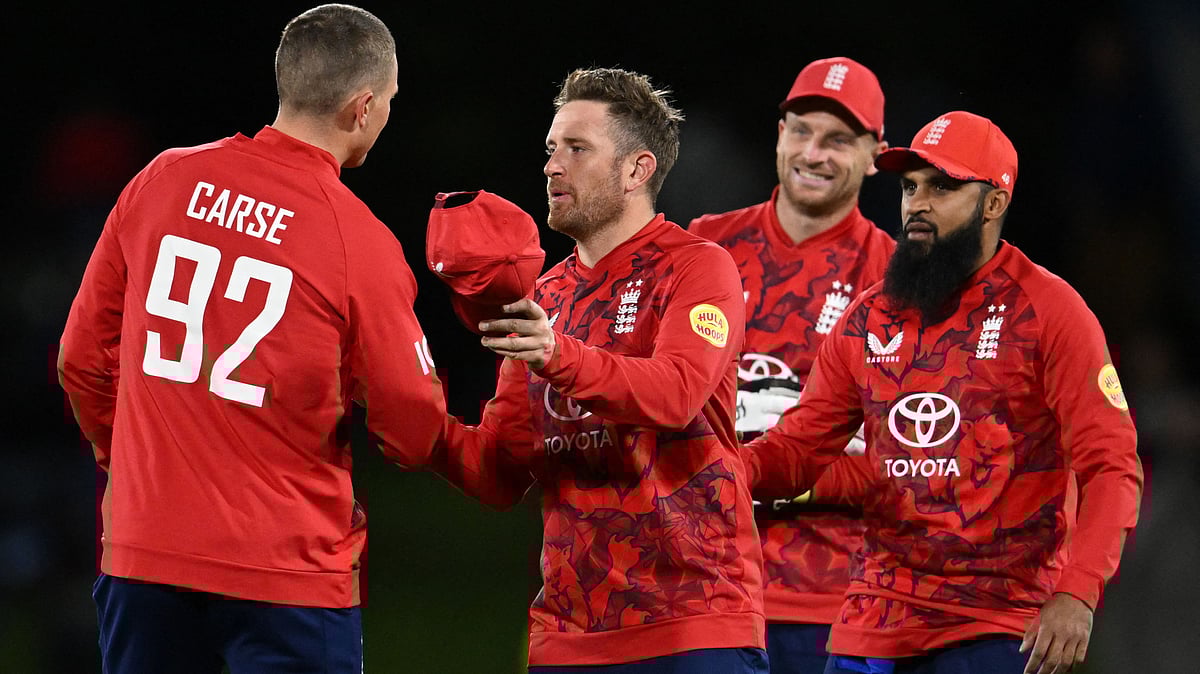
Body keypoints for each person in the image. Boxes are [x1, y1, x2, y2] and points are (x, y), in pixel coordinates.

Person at [57, 5, 447, 672]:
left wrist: (129, 466)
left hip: (144, 556)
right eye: (389, 101)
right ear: (363, 107)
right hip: (285, 577)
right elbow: (412, 426)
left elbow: (81, 360)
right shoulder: (358, 239)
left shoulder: (161, 181)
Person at [744, 110, 1143, 674]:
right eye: (910, 187)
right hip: (874, 618)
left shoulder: (1051, 312)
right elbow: (800, 448)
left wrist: (1077, 593)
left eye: (944, 186)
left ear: (995, 203)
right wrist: (718, 469)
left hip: (997, 621)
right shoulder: (869, 317)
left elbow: (1111, 466)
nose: (918, 204)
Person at [427, 67, 768, 673]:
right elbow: (499, 470)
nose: (552, 166)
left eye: (577, 149)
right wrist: (408, 408)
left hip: (693, 624)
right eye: (551, 149)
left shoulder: (698, 268)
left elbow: (678, 394)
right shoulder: (545, 296)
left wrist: (557, 355)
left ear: (638, 170)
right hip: (569, 636)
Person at [688, 56, 894, 674]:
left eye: (838, 140)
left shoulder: (898, 281)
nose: (814, 152)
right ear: (779, 132)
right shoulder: (705, 246)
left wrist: (778, 472)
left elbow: (914, 458)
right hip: (703, 590)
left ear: (875, 155)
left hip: (832, 600)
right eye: (801, 130)